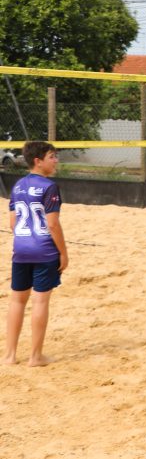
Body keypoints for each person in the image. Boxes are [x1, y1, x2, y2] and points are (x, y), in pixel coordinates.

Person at [4, 141, 68, 367]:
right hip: (44, 251)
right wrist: (63, 253)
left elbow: (13, 223)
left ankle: (10, 355)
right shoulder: (49, 187)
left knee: (17, 301)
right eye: (52, 156)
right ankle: (35, 356)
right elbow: (52, 225)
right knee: (40, 301)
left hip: (20, 250)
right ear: (38, 161)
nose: (56, 160)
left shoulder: (18, 186)